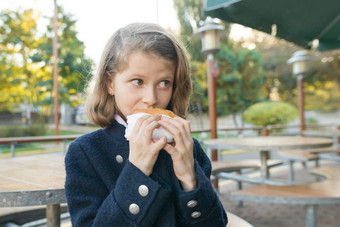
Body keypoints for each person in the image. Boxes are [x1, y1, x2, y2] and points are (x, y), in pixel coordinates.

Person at [65, 22, 228, 226]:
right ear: (110, 83)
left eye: (163, 83)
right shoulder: (85, 153)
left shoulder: (189, 147)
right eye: (137, 81)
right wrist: (136, 170)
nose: (151, 98)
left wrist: (190, 177)